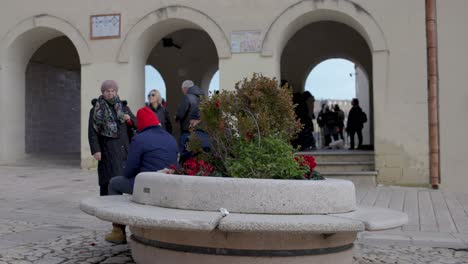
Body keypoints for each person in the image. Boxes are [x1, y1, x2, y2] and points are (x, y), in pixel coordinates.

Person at [107, 106, 178, 243]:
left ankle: (118, 231)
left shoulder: (140, 139)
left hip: (149, 186)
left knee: (114, 183)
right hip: (169, 185)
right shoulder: (170, 138)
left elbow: (129, 171)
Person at [88, 80, 136, 243]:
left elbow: (135, 124)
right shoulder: (96, 109)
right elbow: (92, 132)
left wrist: (129, 120)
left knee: (125, 185)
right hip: (108, 152)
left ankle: (125, 224)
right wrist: (96, 150)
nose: (110, 93)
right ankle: (117, 227)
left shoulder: (124, 107)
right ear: (103, 92)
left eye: (113, 91)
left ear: (116, 92)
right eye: (107, 91)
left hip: (125, 151)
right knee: (112, 185)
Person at [175, 80, 205, 158]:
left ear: (185, 88)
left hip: (187, 130)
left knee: (184, 154)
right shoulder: (203, 97)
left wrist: (176, 117)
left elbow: (181, 113)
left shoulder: (187, 97)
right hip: (200, 131)